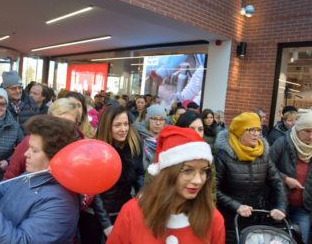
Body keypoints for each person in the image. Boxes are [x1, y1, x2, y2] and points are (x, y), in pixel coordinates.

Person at [0, 115, 80, 243]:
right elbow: (0, 192)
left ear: (56, 157)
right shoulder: (34, 175)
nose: (26, 154)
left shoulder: (60, 204)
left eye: (34, 151)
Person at [107, 126, 225, 243]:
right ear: (167, 173)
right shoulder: (132, 213)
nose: (198, 181)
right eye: (188, 170)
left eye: (204, 171)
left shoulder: (213, 219)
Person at [215, 112, 287, 243]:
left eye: (258, 129)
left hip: (255, 219)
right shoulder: (224, 155)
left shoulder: (263, 154)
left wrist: (280, 206)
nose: (256, 134)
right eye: (251, 130)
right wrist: (236, 206)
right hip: (228, 220)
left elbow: (277, 182)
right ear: (239, 131)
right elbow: (212, 189)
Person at [79, 105, 144, 244]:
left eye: (126, 124)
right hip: (95, 216)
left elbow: (139, 173)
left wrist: (142, 194)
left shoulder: (134, 144)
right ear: (107, 126)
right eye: (118, 125)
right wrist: (106, 223)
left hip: (121, 212)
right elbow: (94, 191)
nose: (123, 129)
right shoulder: (96, 148)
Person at [3, 98, 82, 180]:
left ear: (76, 123)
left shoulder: (80, 147)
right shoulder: (30, 142)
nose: (63, 127)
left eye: (68, 123)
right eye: (58, 121)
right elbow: (10, 177)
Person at [270, 110, 312, 244]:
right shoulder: (281, 143)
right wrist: (285, 179)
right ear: (298, 129)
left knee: (301, 240)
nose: (311, 136)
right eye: (307, 131)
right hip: (279, 205)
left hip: (303, 207)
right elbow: (267, 167)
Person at [134, 104, 168, 171]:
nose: (158, 123)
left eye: (161, 119)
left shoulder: (168, 137)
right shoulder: (136, 133)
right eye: (154, 119)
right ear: (148, 119)